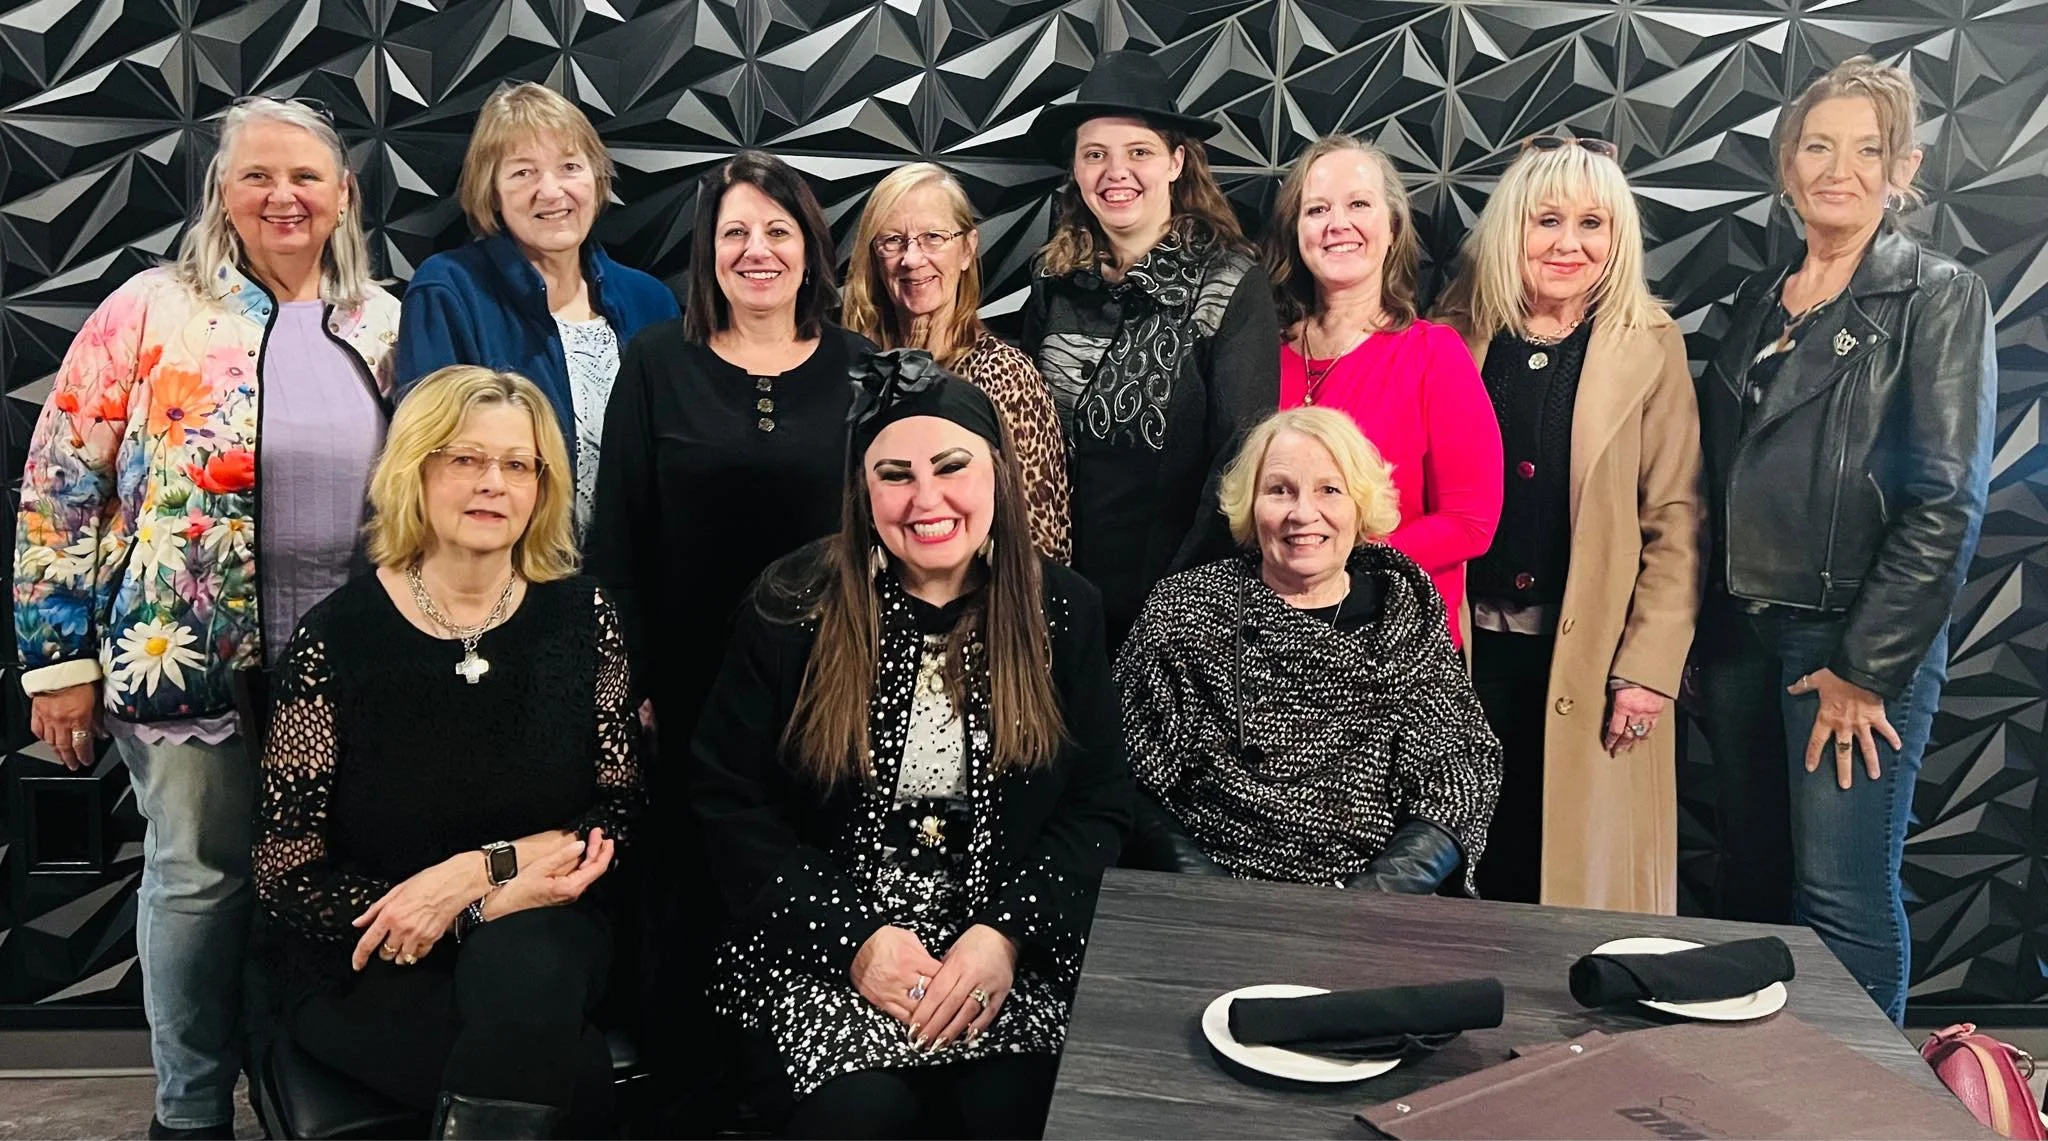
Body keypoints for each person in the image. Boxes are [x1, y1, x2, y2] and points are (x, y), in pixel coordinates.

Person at [11, 98, 401, 1141]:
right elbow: (59, 485)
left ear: (344, 194)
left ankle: (313, 1093)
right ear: (222, 194)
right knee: (197, 880)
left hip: (353, 670)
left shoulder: (386, 321)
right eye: (257, 176)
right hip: (180, 656)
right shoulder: (151, 309)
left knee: (331, 879)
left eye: (305, 176)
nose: (283, 196)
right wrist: (58, 661)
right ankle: (188, 1112)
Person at [691, 350, 1130, 1139]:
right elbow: (728, 802)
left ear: (997, 472)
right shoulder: (793, 604)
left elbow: (1097, 805)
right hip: (824, 947)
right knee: (862, 1116)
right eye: (895, 475)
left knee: (1016, 1108)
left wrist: (1004, 935)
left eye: (951, 467)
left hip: (1000, 945)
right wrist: (855, 941)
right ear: (864, 491)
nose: (927, 499)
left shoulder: (1065, 610)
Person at [255, 365, 642, 1138]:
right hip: (374, 952)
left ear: (542, 488)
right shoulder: (335, 640)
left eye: (518, 464)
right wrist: (469, 906)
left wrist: (477, 875)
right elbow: (287, 876)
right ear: (416, 470)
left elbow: (621, 812)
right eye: (466, 458)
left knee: (525, 961)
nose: (493, 482)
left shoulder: (583, 615)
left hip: (547, 924)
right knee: (569, 1069)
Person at [1691, 56, 1995, 1025]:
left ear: (1901, 169)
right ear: (1787, 162)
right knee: (1750, 878)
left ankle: (1858, 1097)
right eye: (1817, 146)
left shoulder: (1936, 297)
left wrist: (1865, 670)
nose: (1838, 169)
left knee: (1840, 894)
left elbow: (1944, 502)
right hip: (1739, 640)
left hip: (1848, 646)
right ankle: (1754, 1084)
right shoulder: (1756, 300)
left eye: (1867, 150)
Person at [584, 148, 870, 1116]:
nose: (757, 250)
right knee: (691, 885)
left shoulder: (862, 368)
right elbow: (617, 541)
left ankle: (794, 1084)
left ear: (810, 248)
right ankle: (691, 1090)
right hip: (688, 682)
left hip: (832, 680)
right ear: (707, 251)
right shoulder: (657, 361)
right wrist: (628, 685)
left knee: (809, 872)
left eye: (777, 231)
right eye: (735, 232)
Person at [1436, 135, 1703, 913]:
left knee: (1564, 882)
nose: (1568, 243)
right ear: (1511, 228)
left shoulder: (1650, 344)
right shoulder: (1450, 333)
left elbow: (1677, 518)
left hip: (1590, 660)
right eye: (1547, 220)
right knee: (1459, 866)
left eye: (1593, 223)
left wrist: (1647, 669)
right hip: (1462, 650)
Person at [1117, 407, 1500, 892]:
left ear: (1360, 504)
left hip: (1373, 904)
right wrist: (1214, 895)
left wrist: (1371, 898)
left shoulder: (1406, 615)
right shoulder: (1184, 609)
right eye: (1279, 490)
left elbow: (1459, 773)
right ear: (1250, 505)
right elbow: (1124, 769)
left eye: (1329, 490)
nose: (1302, 513)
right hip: (1206, 898)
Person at [1020, 50, 1281, 647]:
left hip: (1176, 606)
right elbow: (1031, 443)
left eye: (1138, 152)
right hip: (1049, 598)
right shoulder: (1051, 280)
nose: (1116, 172)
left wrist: (1177, 608)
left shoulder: (1229, 282)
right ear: (1076, 169)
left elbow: (1240, 463)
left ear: (1176, 162)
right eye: (1095, 154)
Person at [395, 81, 679, 538]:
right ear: (492, 191)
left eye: (569, 167)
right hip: (505, 568)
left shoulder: (651, 300)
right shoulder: (449, 290)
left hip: (633, 570)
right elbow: (430, 465)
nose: (551, 191)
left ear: (596, 179)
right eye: (523, 172)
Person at [1265, 134, 1501, 647]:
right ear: (1296, 231)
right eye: (1317, 209)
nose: (1337, 224)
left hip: (1395, 639)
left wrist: (1339, 565)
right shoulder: (1260, 353)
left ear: (1392, 228)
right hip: (1273, 636)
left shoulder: (1433, 355)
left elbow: (1470, 522)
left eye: (1358, 205)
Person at [843, 162, 1071, 561]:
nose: (912, 258)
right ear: (874, 256)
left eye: (933, 237)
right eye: (893, 240)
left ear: (967, 248)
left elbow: (1041, 546)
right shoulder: (857, 369)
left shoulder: (1006, 376)